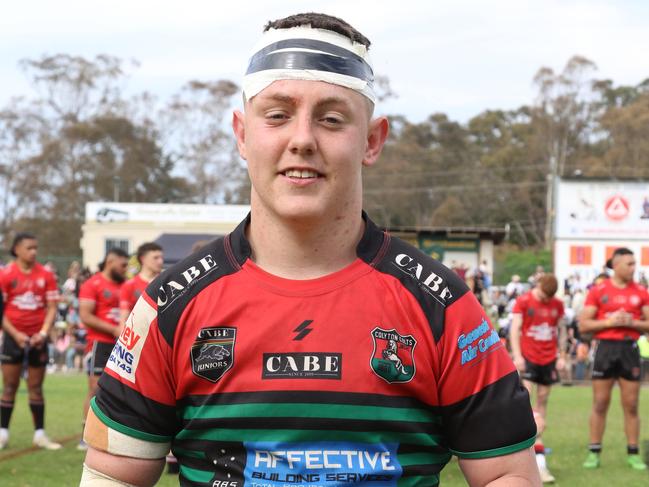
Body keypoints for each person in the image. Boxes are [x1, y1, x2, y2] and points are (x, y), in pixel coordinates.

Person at [80, 13, 539, 487]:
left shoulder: (442, 302)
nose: (301, 140)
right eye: (277, 115)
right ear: (242, 134)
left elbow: (506, 472)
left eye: (332, 119)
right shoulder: (171, 303)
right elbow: (113, 475)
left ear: (372, 140)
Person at [579, 247, 649, 470]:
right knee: (600, 403)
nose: (633, 268)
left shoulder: (641, 292)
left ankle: (633, 453)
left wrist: (632, 323)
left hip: (629, 348)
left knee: (631, 405)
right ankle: (594, 452)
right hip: (605, 349)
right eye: (629, 264)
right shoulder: (599, 291)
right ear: (616, 265)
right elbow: (584, 324)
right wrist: (610, 322)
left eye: (634, 263)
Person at [0, 233, 61, 450]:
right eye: (29, 248)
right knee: (9, 386)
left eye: (36, 248)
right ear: (17, 249)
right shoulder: (5, 274)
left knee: (36, 387)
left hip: (38, 338)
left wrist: (43, 333)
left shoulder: (46, 275)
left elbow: (52, 307)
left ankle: (39, 435)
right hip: (12, 337)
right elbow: (1, 311)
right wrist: (14, 333)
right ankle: (3, 434)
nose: (34, 252)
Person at [510, 274, 566, 483]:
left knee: (542, 401)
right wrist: (517, 355)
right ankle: (533, 455)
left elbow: (561, 329)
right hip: (529, 357)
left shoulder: (558, 305)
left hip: (549, 358)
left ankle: (537, 441)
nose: (545, 300)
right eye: (543, 295)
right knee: (527, 403)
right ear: (538, 285)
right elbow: (515, 328)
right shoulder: (524, 300)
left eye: (548, 297)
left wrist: (561, 354)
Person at [77, 247, 128, 451]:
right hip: (100, 344)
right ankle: (85, 435)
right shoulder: (93, 284)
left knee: (124, 392)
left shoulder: (126, 285)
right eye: (123, 265)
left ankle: (115, 435)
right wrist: (114, 329)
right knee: (96, 390)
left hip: (125, 343)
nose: (125, 269)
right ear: (110, 261)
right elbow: (86, 316)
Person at [118, 243, 164, 329]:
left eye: (161, 257)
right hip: (139, 335)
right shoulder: (129, 285)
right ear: (143, 259)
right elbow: (124, 317)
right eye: (156, 258)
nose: (160, 261)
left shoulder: (166, 283)